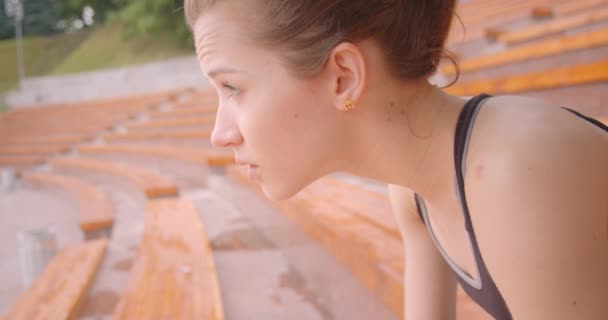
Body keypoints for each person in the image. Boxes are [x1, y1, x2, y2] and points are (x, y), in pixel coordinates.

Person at [184, 1, 608, 319]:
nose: (220, 135)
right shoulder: (413, 189)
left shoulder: (516, 169)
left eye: (232, 88)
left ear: (343, 76)